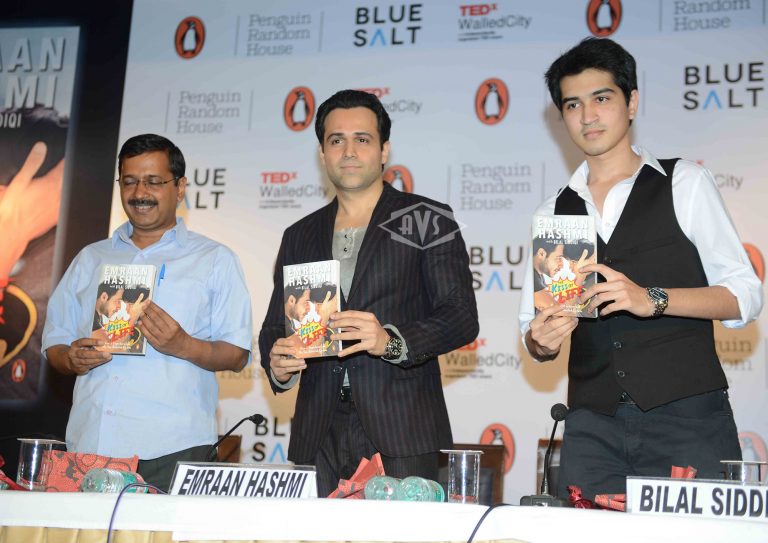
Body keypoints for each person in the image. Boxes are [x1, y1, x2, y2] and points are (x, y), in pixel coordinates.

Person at [519, 38, 763, 500]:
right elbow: (534, 333)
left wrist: (653, 299)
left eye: (601, 98)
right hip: (591, 430)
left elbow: (744, 295)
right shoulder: (553, 212)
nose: (588, 116)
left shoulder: (683, 182)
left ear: (631, 103)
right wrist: (541, 340)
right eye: (573, 104)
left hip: (687, 420)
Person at [259, 89, 479, 497]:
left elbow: (460, 315)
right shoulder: (299, 234)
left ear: (384, 151)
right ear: (322, 153)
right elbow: (275, 326)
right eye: (336, 140)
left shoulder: (426, 218)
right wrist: (280, 364)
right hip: (317, 432)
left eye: (362, 139)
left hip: (402, 428)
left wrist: (390, 341)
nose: (349, 151)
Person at [43, 134, 253, 491]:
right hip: (90, 445)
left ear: (180, 187)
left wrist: (184, 345)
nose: (140, 192)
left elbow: (237, 354)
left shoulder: (215, 260)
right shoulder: (90, 258)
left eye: (154, 181)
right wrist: (70, 358)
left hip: (172, 449)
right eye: (130, 181)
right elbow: (55, 343)